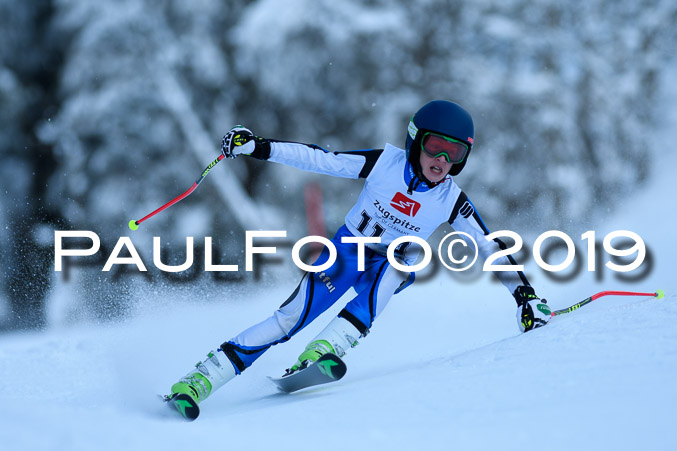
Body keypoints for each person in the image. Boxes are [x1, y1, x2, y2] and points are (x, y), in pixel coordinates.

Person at [166, 100, 551, 416]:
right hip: (346, 252)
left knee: (399, 268)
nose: (443, 160)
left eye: (456, 153)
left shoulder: (450, 199)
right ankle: (199, 381)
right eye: (436, 146)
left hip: (390, 263)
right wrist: (259, 147)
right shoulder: (384, 164)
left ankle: (327, 348)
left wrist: (525, 296)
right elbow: (320, 160)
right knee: (287, 320)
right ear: (417, 142)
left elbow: (490, 246)